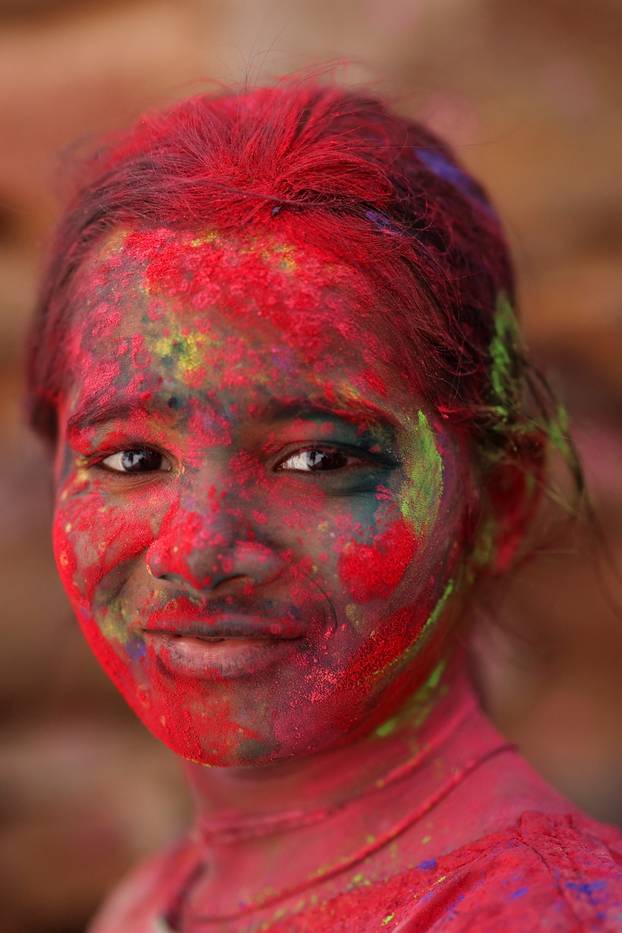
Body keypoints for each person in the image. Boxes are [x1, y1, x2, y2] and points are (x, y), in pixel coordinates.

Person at [26, 79, 622, 932]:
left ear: (500, 501)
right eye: (131, 456)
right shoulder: (153, 902)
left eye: (318, 457)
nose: (197, 549)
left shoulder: (538, 914)